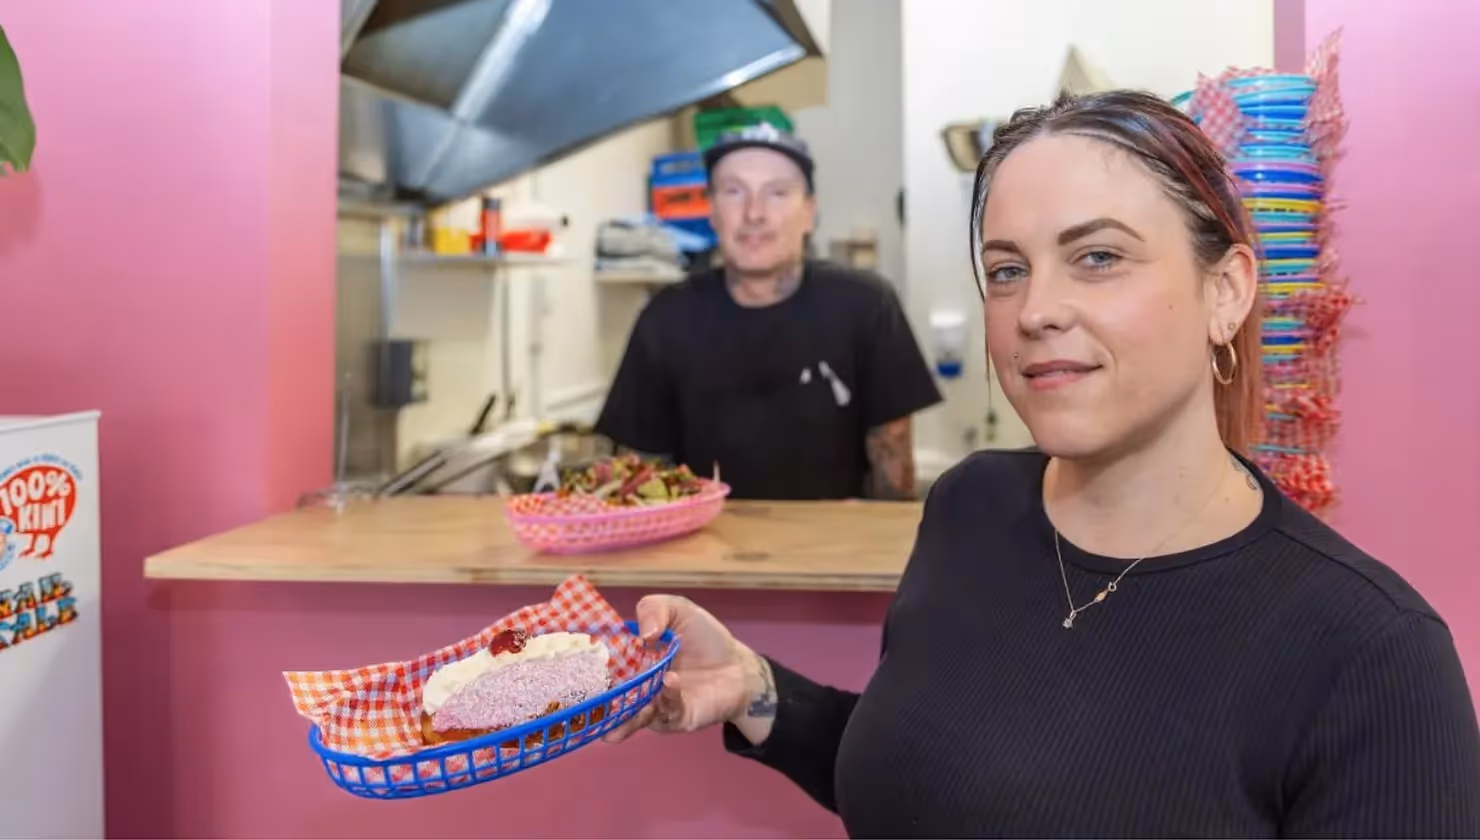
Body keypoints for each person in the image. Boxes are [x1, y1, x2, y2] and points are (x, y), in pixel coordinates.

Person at [605, 91, 1480, 836]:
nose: (1036, 310)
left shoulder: (1373, 658)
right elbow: (929, 786)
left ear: (1227, 292)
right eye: (1008, 269)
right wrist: (757, 691)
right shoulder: (970, 504)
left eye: (1097, 257)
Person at [594, 124, 942, 501]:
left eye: (776, 193)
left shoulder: (868, 306)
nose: (754, 213)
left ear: (810, 213)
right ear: (711, 211)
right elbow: (638, 483)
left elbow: (893, 477)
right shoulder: (665, 320)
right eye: (733, 191)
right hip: (699, 553)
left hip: (834, 553)